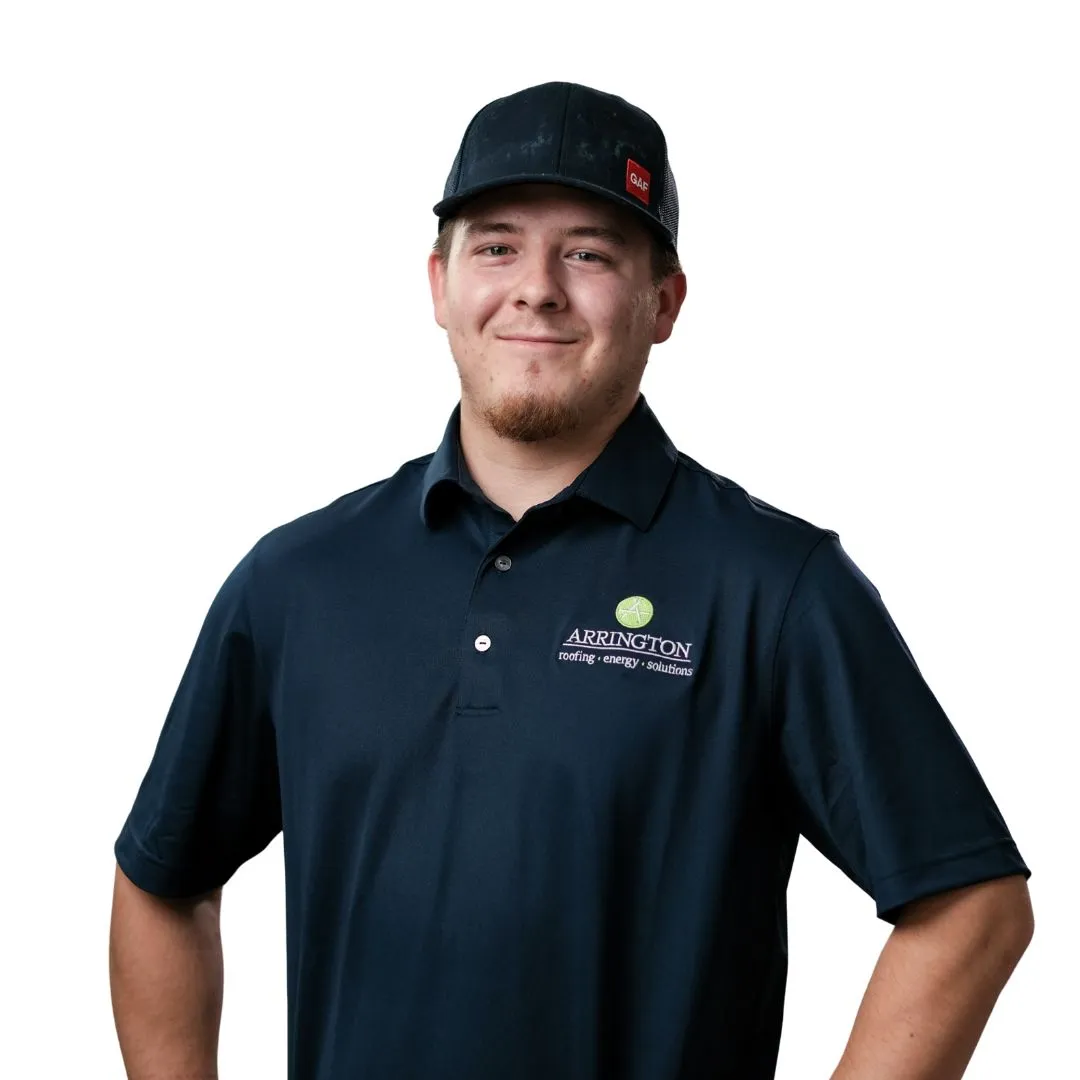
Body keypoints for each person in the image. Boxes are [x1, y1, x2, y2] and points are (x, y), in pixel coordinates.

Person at [110, 81, 1033, 1080]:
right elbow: (161, 882)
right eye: (496, 245)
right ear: (439, 285)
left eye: (588, 252)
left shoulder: (777, 587)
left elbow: (972, 908)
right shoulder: (297, 581)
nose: (537, 287)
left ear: (664, 300)